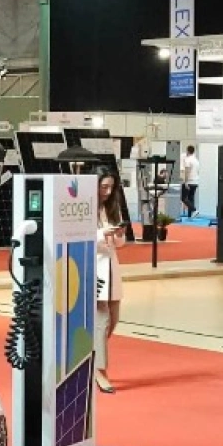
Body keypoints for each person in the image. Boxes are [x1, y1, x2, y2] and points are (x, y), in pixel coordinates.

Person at [93, 168, 126, 394]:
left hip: (112, 268)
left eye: (110, 187)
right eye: (103, 186)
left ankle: (92, 356)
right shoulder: (85, 208)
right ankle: (99, 371)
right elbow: (78, 237)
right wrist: (101, 233)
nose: (107, 191)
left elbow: (119, 244)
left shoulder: (111, 207)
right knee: (102, 320)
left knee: (113, 319)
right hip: (94, 267)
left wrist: (117, 234)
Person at [180, 145, 199, 218]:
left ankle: (194, 210)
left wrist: (185, 182)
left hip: (189, 181)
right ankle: (190, 215)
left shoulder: (188, 160)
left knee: (183, 198)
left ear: (187, 151)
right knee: (191, 198)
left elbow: (187, 171)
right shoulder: (196, 160)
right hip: (195, 182)